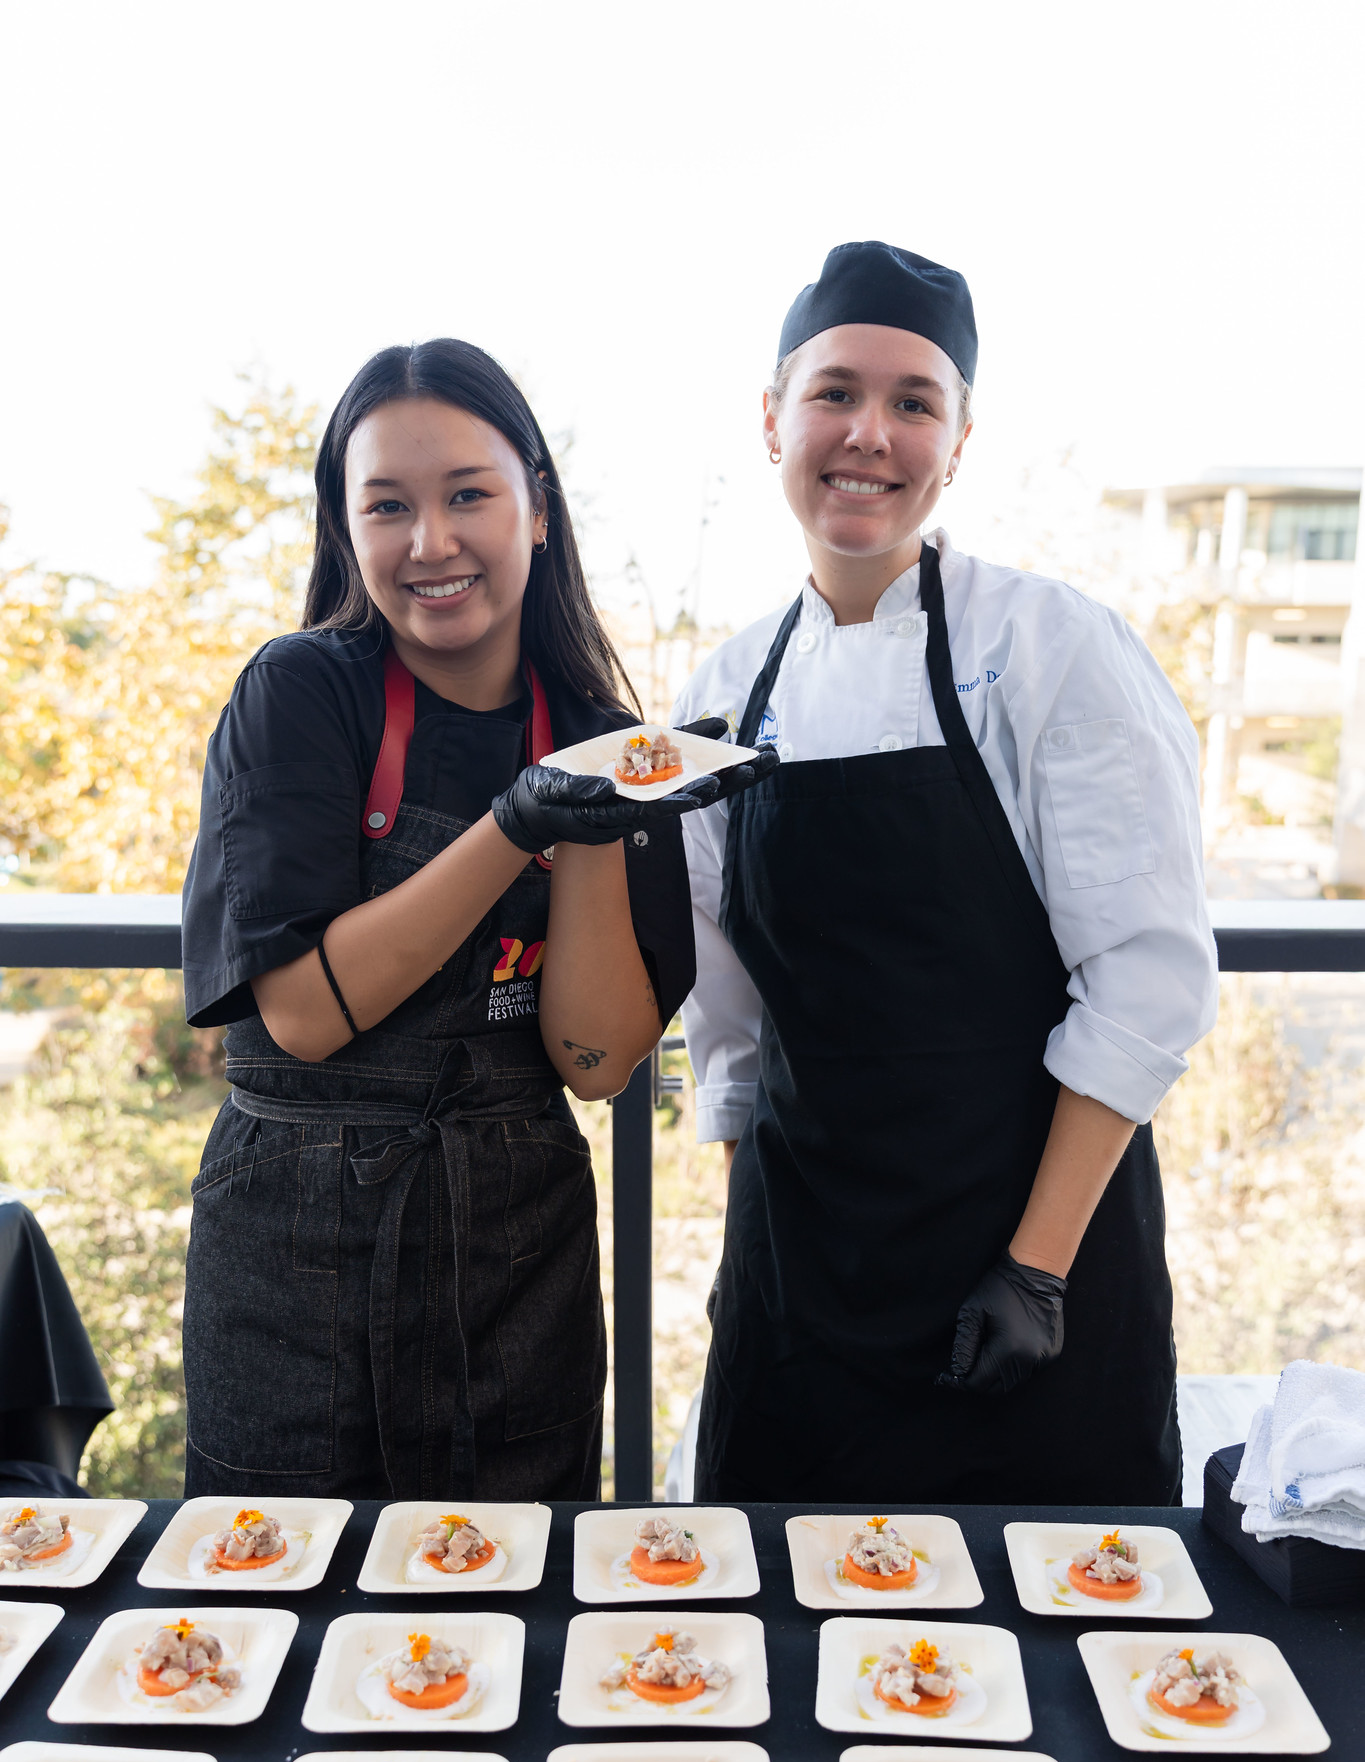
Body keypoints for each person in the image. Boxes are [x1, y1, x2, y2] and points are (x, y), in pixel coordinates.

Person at [672, 241, 1219, 1506]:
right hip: (806, 1284)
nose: (870, 432)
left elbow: (1145, 984)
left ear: (958, 443)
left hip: (1036, 1260)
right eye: (836, 392)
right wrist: (750, 1256)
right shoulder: (720, 693)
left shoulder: (1052, 649)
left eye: (915, 402)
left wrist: (1033, 1269)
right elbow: (733, 1021)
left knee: (1054, 1656)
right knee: (776, 1653)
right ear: (772, 418)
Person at [180, 338, 770, 1501]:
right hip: (291, 1246)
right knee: (278, 1605)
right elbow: (301, 1013)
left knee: (512, 1611)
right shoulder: (298, 692)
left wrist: (593, 817)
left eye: (467, 495)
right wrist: (512, 822)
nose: (430, 542)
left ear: (537, 507)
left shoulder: (604, 731)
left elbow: (597, 1062)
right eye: (388, 505)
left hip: (516, 1256)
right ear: (345, 528)